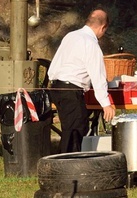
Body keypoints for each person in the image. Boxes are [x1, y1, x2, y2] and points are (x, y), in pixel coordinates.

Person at [47, 9, 116, 153]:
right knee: (75, 131)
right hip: (70, 89)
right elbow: (98, 76)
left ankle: (66, 164)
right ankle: (67, 166)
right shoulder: (91, 43)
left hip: (56, 86)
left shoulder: (71, 36)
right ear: (103, 27)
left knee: (71, 128)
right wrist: (106, 104)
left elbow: (56, 64)